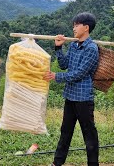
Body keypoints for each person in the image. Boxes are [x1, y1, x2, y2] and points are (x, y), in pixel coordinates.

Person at [44, 12, 100, 166]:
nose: (74, 28)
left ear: (86, 27)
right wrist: (58, 47)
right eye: (74, 25)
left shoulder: (91, 48)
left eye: (77, 25)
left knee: (89, 135)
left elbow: (80, 73)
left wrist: (57, 77)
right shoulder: (74, 45)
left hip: (83, 99)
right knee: (65, 132)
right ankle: (57, 163)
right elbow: (63, 64)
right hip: (70, 96)